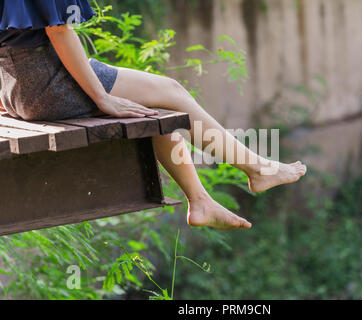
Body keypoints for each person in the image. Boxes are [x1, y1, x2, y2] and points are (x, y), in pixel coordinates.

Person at [0, 0, 307, 230]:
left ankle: (201, 201)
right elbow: (59, 30)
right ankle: (256, 169)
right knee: (172, 91)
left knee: (152, 110)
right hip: (48, 81)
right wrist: (102, 97)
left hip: (17, 88)